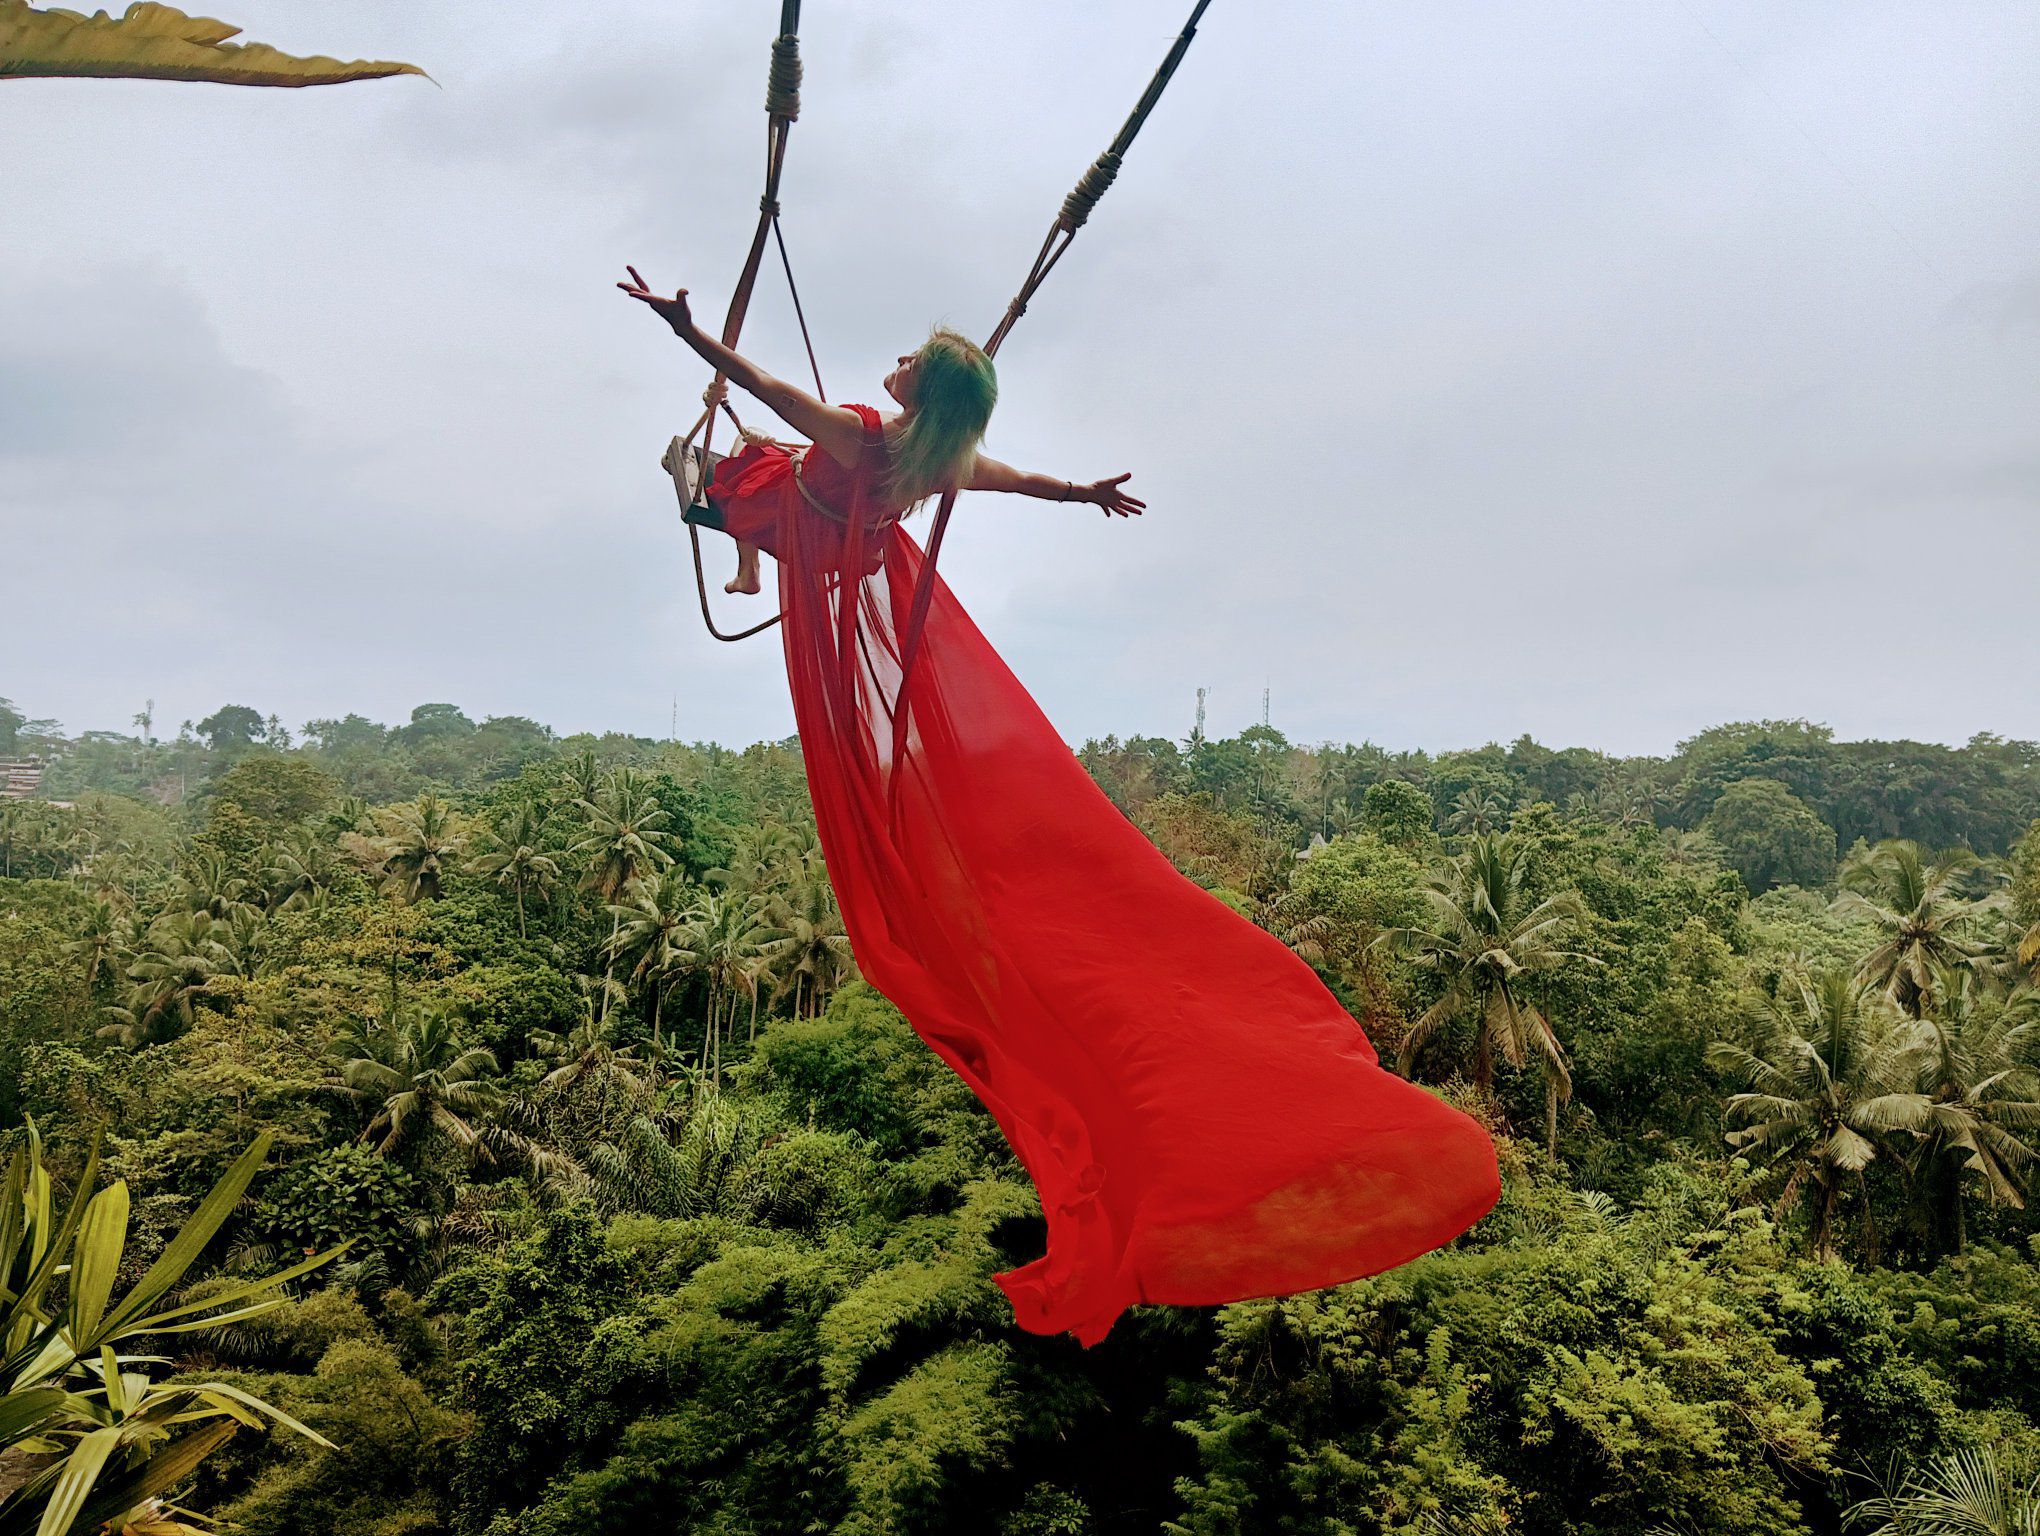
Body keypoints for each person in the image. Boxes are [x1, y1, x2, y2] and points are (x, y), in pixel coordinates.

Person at [618, 268, 1145, 593]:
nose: (900, 359)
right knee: (777, 450)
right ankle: (751, 572)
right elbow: (1025, 481)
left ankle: (748, 571)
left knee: (743, 460)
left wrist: (686, 331)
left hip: (794, 522)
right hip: (844, 548)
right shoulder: (950, 462)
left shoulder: (854, 432)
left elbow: (760, 382)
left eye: (912, 362)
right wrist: (1084, 493)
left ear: (925, 395)